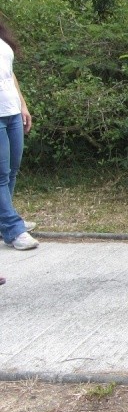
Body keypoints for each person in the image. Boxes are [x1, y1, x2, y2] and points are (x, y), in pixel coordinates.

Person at [0, 17, 39, 253]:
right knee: (0, 174)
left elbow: (10, 75)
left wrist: (23, 105)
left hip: (12, 111)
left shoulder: (2, 40)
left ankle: (7, 220)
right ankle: (13, 227)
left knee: (12, 169)